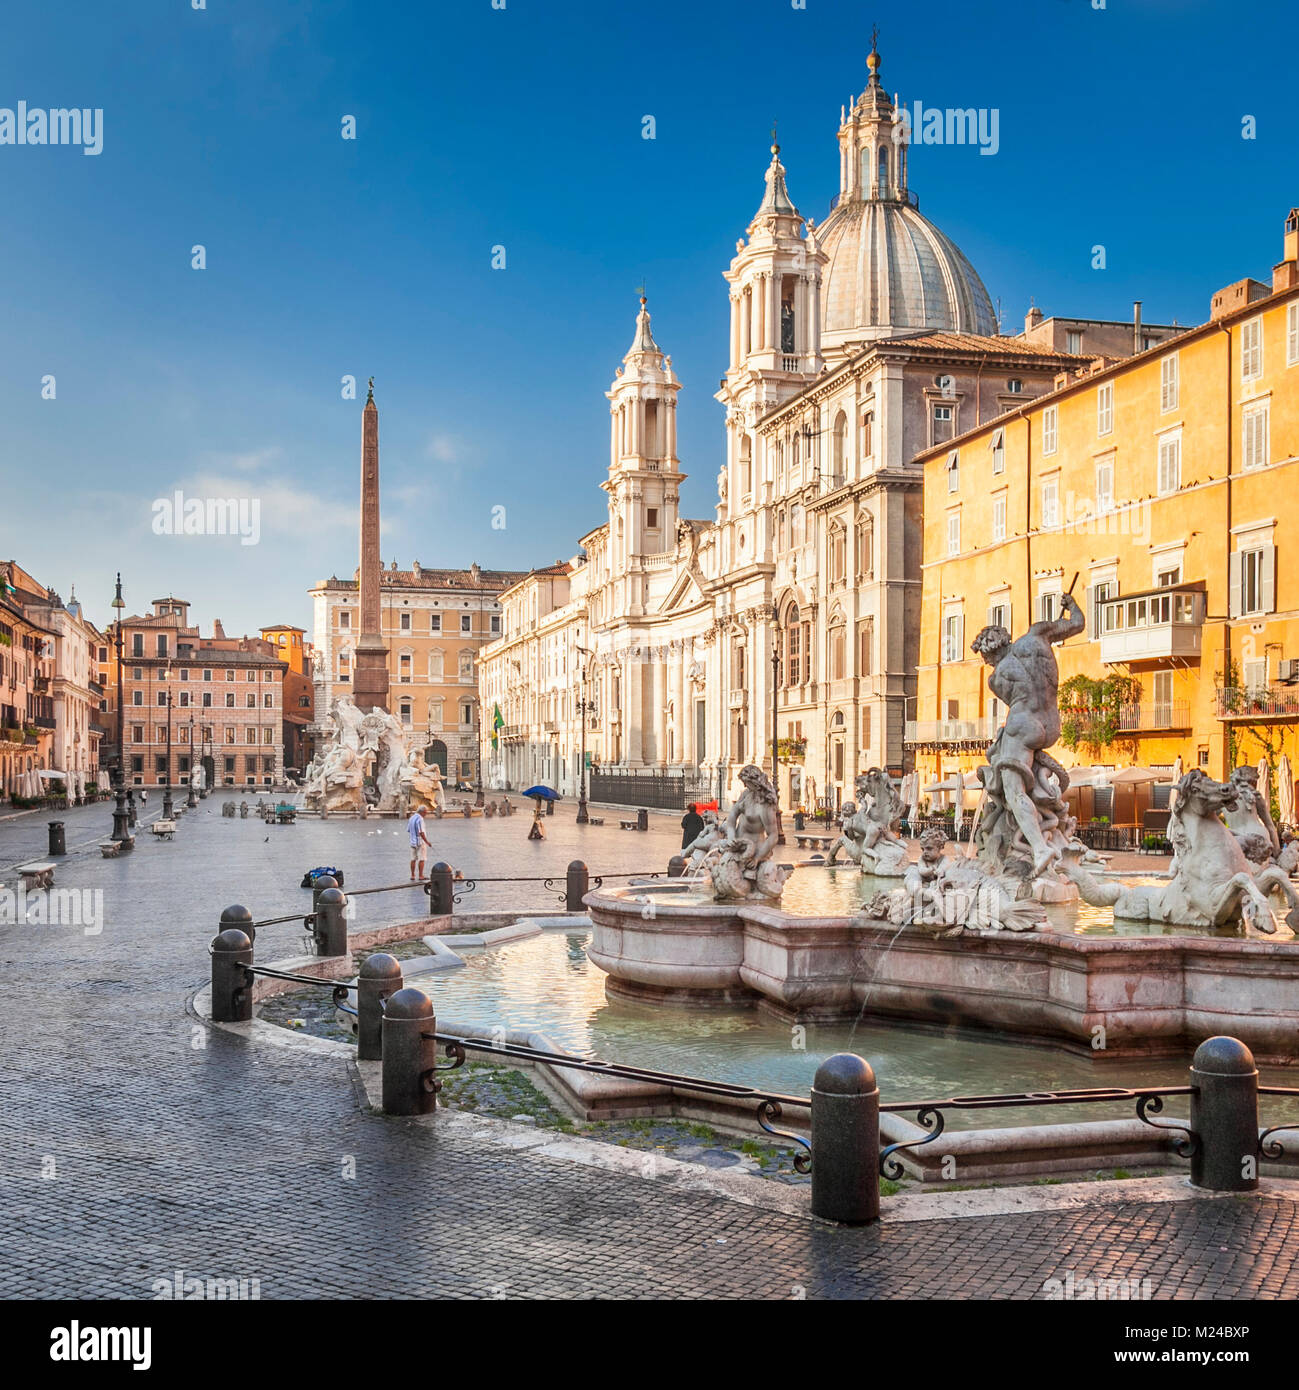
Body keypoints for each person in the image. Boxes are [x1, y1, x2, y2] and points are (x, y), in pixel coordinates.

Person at [407, 803, 432, 880]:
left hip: (412, 842)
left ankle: (412, 875)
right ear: (422, 812)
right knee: (422, 859)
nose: (426, 814)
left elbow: (408, 830)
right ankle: (421, 875)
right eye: (425, 812)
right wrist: (427, 842)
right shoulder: (420, 819)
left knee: (413, 859)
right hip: (420, 842)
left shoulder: (411, 818)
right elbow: (421, 832)